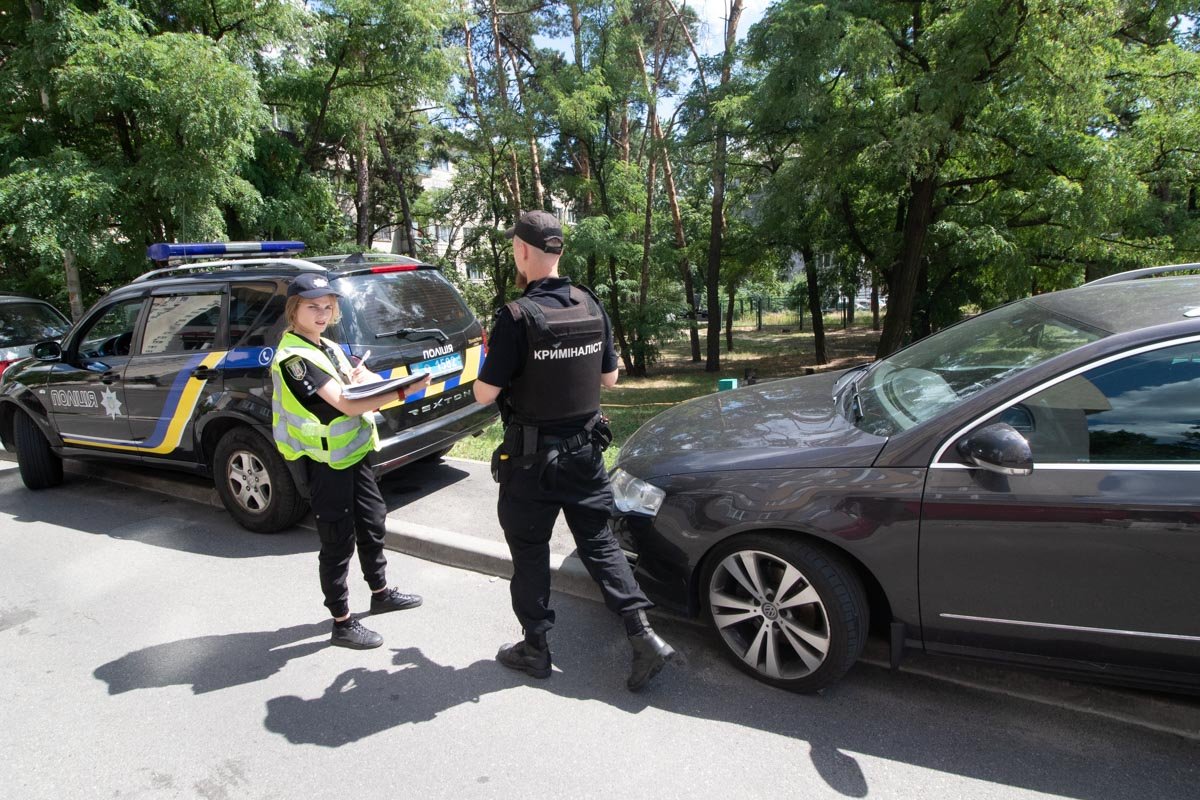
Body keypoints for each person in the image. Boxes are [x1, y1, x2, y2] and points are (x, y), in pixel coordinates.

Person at [473, 210, 682, 692]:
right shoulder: (590, 304)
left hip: (531, 463)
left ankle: (536, 647)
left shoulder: (515, 316)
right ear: (559, 251)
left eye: (513, 248)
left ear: (523, 252)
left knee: (529, 552)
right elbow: (610, 377)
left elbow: (486, 394)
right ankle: (643, 635)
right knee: (600, 543)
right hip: (586, 452)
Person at [271, 272, 431, 649]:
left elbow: (361, 382)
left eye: (328, 307)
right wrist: (401, 392)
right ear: (294, 310)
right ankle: (342, 621)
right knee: (337, 541)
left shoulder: (327, 346)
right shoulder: (294, 358)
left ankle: (380, 592)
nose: (322, 313)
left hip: (354, 454)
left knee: (373, 522)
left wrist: (363, 375)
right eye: (313, 307)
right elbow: (344, 402)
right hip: (325, 462)